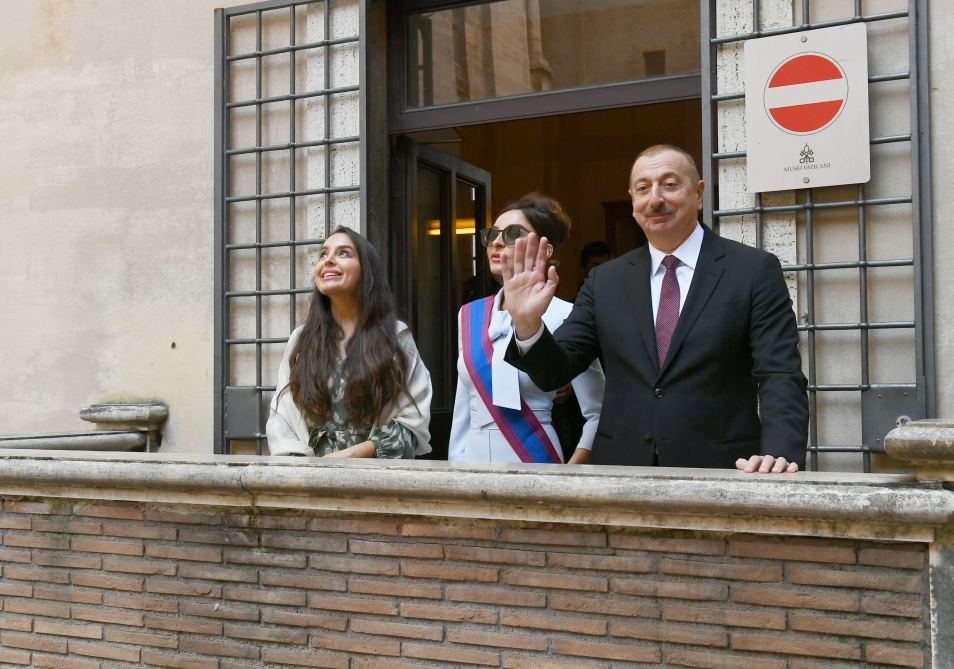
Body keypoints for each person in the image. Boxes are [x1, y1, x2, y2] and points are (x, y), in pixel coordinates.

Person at [502, 145, 808, 473]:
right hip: (622, 471)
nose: (655, 199)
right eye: (643, 188)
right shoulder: (605, 281)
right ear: (633, 201)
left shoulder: (751, 270)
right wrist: (528, 325)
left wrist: (779, 453)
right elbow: (555, 372)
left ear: (699, 194)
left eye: (670, 184)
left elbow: (779, 373)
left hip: (722, 469)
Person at [448, 194, 605, 465]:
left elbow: (598, 412)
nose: (497, 242)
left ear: (546, 249)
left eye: (512, 234)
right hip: (472, 466)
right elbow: (463, 408)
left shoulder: (567, 314)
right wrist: (454, 467)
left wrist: (572, 472)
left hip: (537, 460)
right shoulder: (469, 314)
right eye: (492, 234)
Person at [266, 226, 432, 458]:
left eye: (343, 253)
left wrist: (343, 459)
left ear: (367, 270)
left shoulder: (395, 337)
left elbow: (410, 425)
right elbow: (281, 420)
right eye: (323, 254)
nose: (328, 260)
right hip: (308, 475)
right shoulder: (300, 341)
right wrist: (306, 472)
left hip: (374, 475)